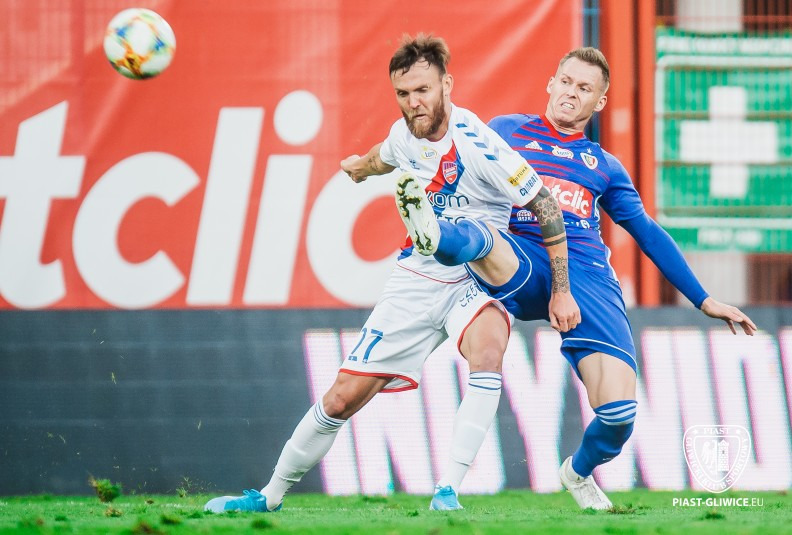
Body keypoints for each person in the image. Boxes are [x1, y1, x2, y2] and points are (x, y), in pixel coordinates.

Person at [204, 34, 579, 514]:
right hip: (417, 281)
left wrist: (562, 290)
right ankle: (268, 496)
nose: (413, 102)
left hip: (476, 276)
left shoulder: (478, 141)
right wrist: (360, 168)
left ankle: (447, 492)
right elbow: (385, 155)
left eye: (423, 90)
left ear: (447, 84)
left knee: (488, 348)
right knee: (340, 399)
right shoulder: (405, 135)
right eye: (403, 93)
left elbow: (546, 205)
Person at [401, 46, 757, 510]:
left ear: (600, 101)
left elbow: (647, 232)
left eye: (584, 88)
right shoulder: (506, 131)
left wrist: (703, 298)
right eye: (566, 82)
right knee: (486, 238)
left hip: (588, 275)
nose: (571, 92)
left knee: (619, 416)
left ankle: (577, 472)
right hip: (524, 255)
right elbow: (454, 168)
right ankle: (434, 234)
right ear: (551, 83)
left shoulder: (604, 166)